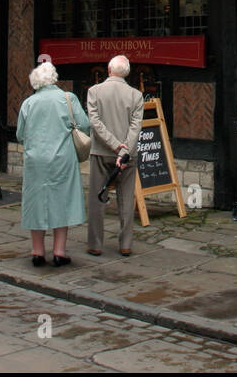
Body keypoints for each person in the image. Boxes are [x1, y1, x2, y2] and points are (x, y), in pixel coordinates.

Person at [17, 60, 89, 267]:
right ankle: (59, 252)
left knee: (35, 202)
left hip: (35, 161)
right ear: (54, 78)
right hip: (62, 159)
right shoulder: (68, 98)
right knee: (62, 202)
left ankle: (37, 251)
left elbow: (20, 134)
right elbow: (84, 124)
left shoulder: (28, 103)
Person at [86, 55, 144, 257]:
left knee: (97, 198)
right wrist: (124, 150)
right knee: (126, 199)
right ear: (126, 73)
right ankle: (125, 244)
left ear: (109, 70)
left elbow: (95, 122)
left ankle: (95, 244)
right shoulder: (136, 95)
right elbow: (136, 128)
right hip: (127, 156)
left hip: (101, 152)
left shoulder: (94, 91)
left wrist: (112, 144)